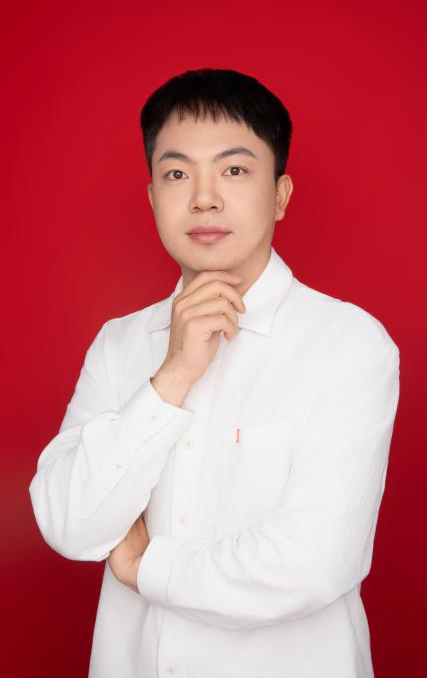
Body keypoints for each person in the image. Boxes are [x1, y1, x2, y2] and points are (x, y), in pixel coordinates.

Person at [29, 68, 400, 678]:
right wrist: (172, 376)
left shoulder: (348, 344)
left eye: (234, 170)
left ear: (280, 195)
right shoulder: (120, 344)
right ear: (152, 197)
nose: (204, 198)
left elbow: (313, 561)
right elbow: (67, 523)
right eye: (177, 174)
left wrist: (146, 567)